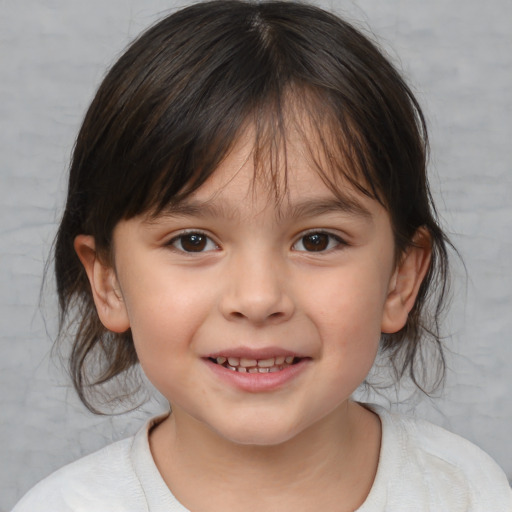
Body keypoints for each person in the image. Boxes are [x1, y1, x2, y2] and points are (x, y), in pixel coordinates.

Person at [12, 1, 512, 510]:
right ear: (108, 282)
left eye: (317, 240)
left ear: (400, 278)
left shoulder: (468, 492)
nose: (257, 299)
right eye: (192, 241)